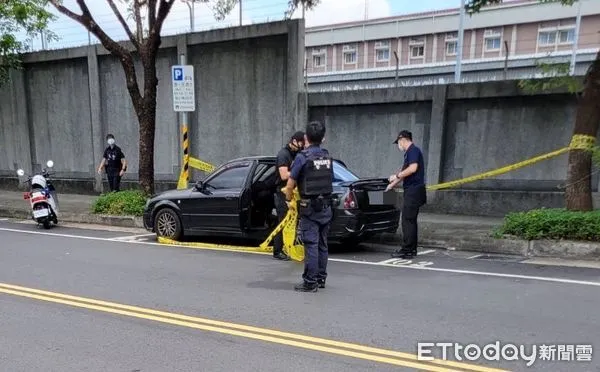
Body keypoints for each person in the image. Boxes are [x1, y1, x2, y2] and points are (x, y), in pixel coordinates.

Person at [283, 121, 333, 292]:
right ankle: (321, 279)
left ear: (305, 138)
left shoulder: (302, 157)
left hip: (309, 208)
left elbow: (290, 185)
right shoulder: (326, 156)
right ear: (323, 139)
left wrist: (289, 199)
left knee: (311, 244)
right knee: (322, 244)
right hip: (326, 206)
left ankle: (310, 282)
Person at [386, 130, 427, 259]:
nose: (399, 145)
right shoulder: (409, 153)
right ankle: (411, 249)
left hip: (414, 191)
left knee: (407, 220)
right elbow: (405, 172)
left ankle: (407, 249)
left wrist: (396, 176)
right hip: (414, 190)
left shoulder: (413, 151)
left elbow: (412, 169)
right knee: (410, 220)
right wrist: (392, 184)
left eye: (398, 142)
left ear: (403, 139)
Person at [272, 131, 305, 261]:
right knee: (283, 221)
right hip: (283, 192)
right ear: (294, 141)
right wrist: (298, 172)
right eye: (300, 142)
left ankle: (290, 246)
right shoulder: (283, 154)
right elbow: (284, 175)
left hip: (295, 192)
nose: (302, 145)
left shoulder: (298, 154)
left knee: (294, 222)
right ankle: (278, 250)